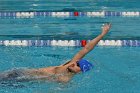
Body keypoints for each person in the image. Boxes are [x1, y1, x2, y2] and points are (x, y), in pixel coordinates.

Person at [0, 23, 111, 83]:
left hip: (23, 81)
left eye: (78, 65)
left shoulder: (65, 79)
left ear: (80, 72)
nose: (75, 63)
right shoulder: (70, 63)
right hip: (22, 72)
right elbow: (86, 49)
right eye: (77, 62)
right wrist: (102, 34)